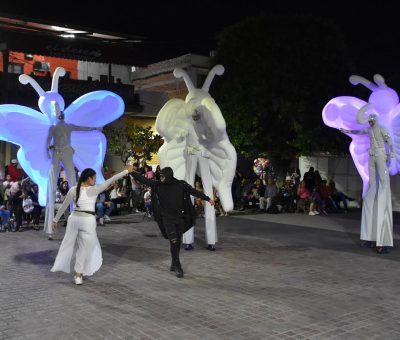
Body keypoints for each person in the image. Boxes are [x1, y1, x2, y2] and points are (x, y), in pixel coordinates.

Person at [51, 164, 133, 285]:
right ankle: (78, 275)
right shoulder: (94, 189)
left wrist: (55, 220)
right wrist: (126, 171)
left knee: (68, 245)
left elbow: (64, 206)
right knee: (83, 248)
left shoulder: (73, 189)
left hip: (74, 219)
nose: (95, 181)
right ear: (89, 178)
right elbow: (112, 179)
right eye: (94, 178)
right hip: (87, 221)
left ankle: (68, 268)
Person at [130, 167, 215, 278]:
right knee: (174, 241)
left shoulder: (180, 185)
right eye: (160, 176)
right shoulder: (158, 185)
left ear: (168, 175)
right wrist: (131, 172)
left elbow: (193, 191)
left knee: (177, 242)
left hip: (179, 218)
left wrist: (208, 199)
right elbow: (143, 180)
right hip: (167, 219)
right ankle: (178, 266)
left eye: (163, 176)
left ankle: (173, 262)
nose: (161, 178)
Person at [45, 102, 100, 240]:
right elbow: (48, 140)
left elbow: (81, 128)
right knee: (54, 183)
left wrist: (93, 128)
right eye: (59, 114)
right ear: (57, 116)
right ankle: (51, 227)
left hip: (65, 151)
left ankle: (76, 223)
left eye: (61, 114)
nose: (61, 115)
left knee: (73, 182)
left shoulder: (67, 126)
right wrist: (47, 150)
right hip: (57, 152)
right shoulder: (53, 128)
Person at [340, 113, 394, 254]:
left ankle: (382, 241)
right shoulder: (369, 130)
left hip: (381, 154)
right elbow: (358, 132)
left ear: (375, 120)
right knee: (371, 187)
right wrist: (347, 131)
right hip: (372, 155)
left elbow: (389, 140)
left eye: (372, 120)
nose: (370, 122)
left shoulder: (381, 129)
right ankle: (370, 238)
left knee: (383, 185)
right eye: (369, 120)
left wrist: (392, 153)